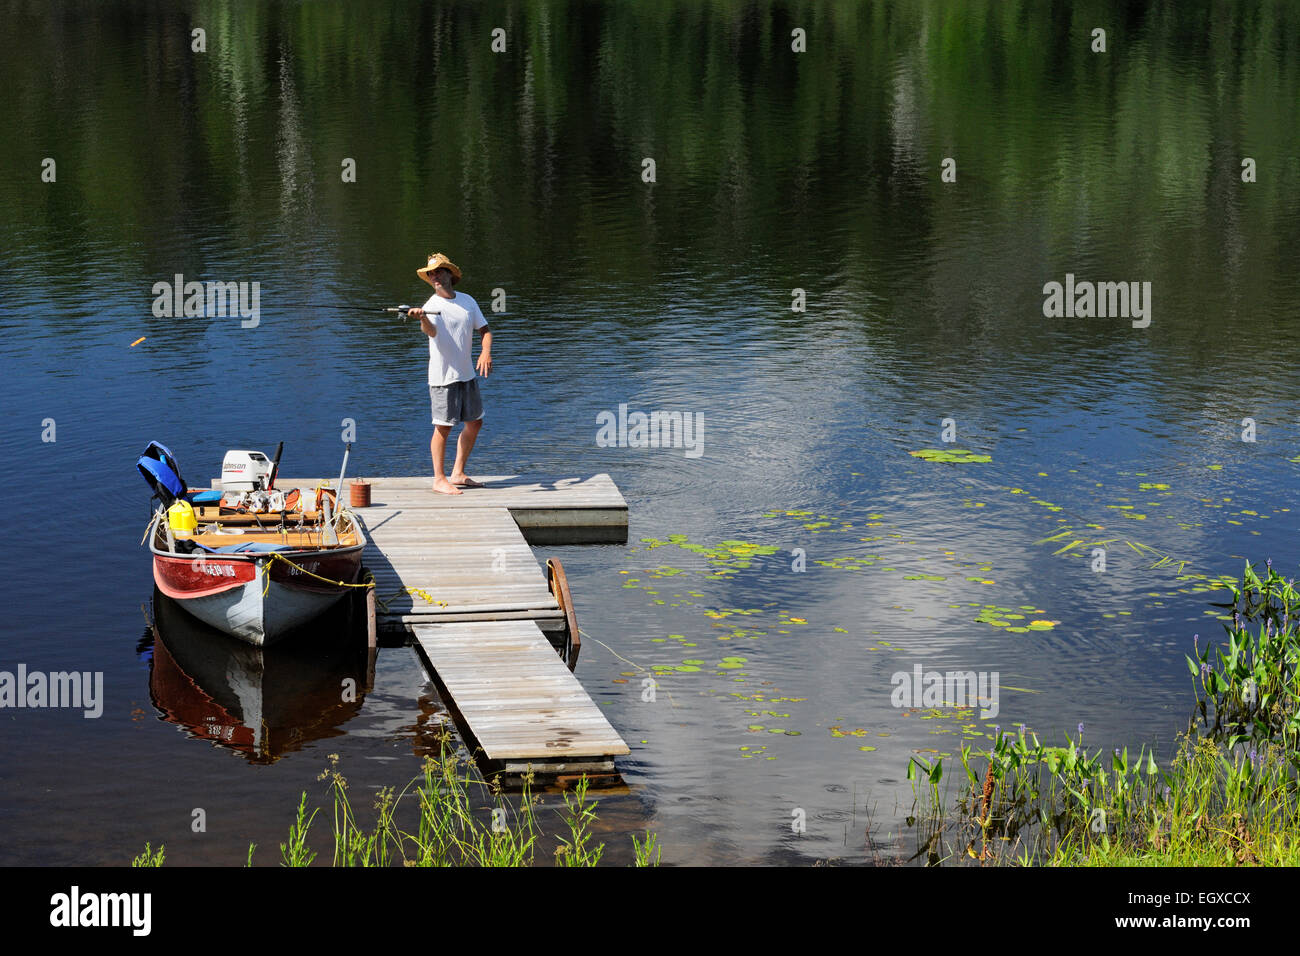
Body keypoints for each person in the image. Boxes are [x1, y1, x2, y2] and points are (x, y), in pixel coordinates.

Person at [408, 253, 493, 495]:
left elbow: (485, 330)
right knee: (443, 427)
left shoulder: (467, 301)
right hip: (443, 377)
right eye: (430, 274)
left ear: (450, 274)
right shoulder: (431, 306)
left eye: (438, 271)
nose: (434, 276)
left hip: (467, 374)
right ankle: (439, 479)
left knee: (475, 422)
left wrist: (485, 352)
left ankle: (458, 473)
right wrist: (422, 318)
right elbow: (431, 332)